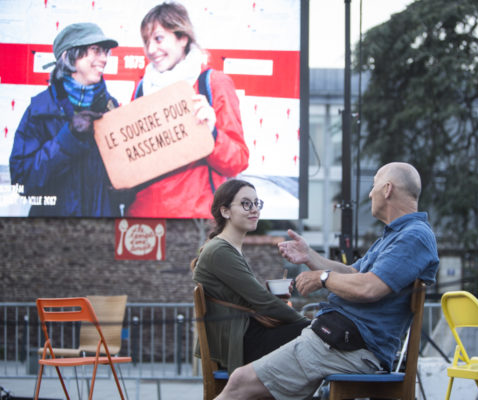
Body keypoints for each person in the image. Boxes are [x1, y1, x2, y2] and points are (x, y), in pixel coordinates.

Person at [214, 162, 440, 400]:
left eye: (374, 185)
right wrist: (309, 256)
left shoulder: (414, 236)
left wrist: (323, 278)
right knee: (251, 384)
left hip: (347, 347)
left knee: (239, 382)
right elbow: (352, 274)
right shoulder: (396, 236)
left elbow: (369, 287)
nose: (370, 193)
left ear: (387, 189)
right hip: (339, 341)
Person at [127, 2, 249, 218]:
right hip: (143, 218)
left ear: (182, 38)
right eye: (146, 41)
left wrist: (211, 133)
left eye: (158, 39)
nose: (151, 49)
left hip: (194, 219)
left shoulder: (213, 83)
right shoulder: (142, 88)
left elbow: (237, 161)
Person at [193, 179, 309, 374]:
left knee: (314, 340)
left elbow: (250, 298)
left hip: (242, 336)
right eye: (246, 204)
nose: (254, 209)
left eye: (257, 203)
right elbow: (262, 302)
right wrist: (307, 323)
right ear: (225, 211)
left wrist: (274, 296)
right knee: (315, 336)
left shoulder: (227, 248)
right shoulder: (220, 250)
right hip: (239, 344)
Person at [9, 23, 121, 216]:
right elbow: (22, 181)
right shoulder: (40, 111)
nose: (104, 59)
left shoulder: (112, 108)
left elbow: (122, 175)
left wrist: (125, 191)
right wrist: (67, 138)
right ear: (69, 57)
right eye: (95, 50)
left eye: (105, 52)